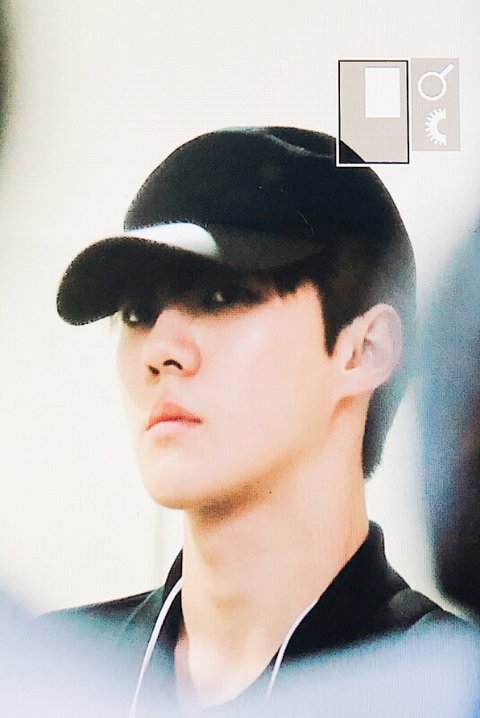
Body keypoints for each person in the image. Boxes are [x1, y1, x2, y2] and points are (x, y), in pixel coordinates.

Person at [51, 127, 453, 717]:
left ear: (364, 350)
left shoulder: (451, 693)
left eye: (222, 296)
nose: (159, 350)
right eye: (137, 313)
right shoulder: (44, 679)